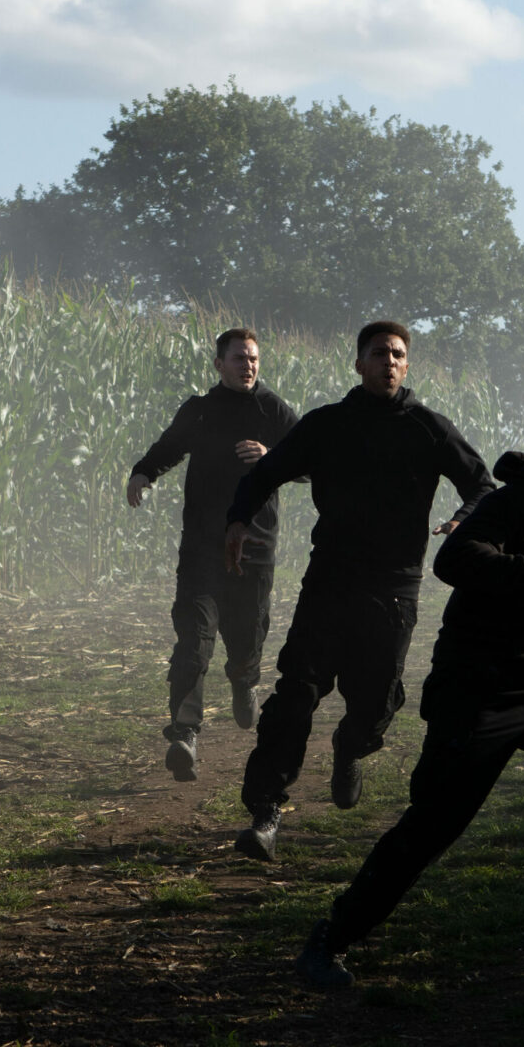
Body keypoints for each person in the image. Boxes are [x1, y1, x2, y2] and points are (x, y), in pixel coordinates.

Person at [294, 393, 524, 987]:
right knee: (431, 827)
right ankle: (328, 942)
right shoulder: (508, 504)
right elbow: (454, 558)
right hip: (477, 692)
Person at [225, 320, 495, 861]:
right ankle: (266, 812)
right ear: (358, 363)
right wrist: (238, 521)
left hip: (394, 590)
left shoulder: (430, 429)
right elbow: (265, 473)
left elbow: (483, 486)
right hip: (328, 583)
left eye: (397, 355)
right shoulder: (327, 425)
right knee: (295, 693)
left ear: (407, 364)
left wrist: (464, 518)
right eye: (378, 354)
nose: (388, 362)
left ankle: (351, 748)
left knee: (374, 703)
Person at [127, 328, 299, 781]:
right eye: (240, 358)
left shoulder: (273, 409)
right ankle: (185, 733)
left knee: (247, 639)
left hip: (255, 548)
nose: (249, 366)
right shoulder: (199, 411)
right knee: (194, 639)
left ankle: (244, 680)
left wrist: (271, 456)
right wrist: (143, 473)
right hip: (202, 546)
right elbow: (169, 447)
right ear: (218, 363)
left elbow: (310, 460)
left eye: (255, 359)